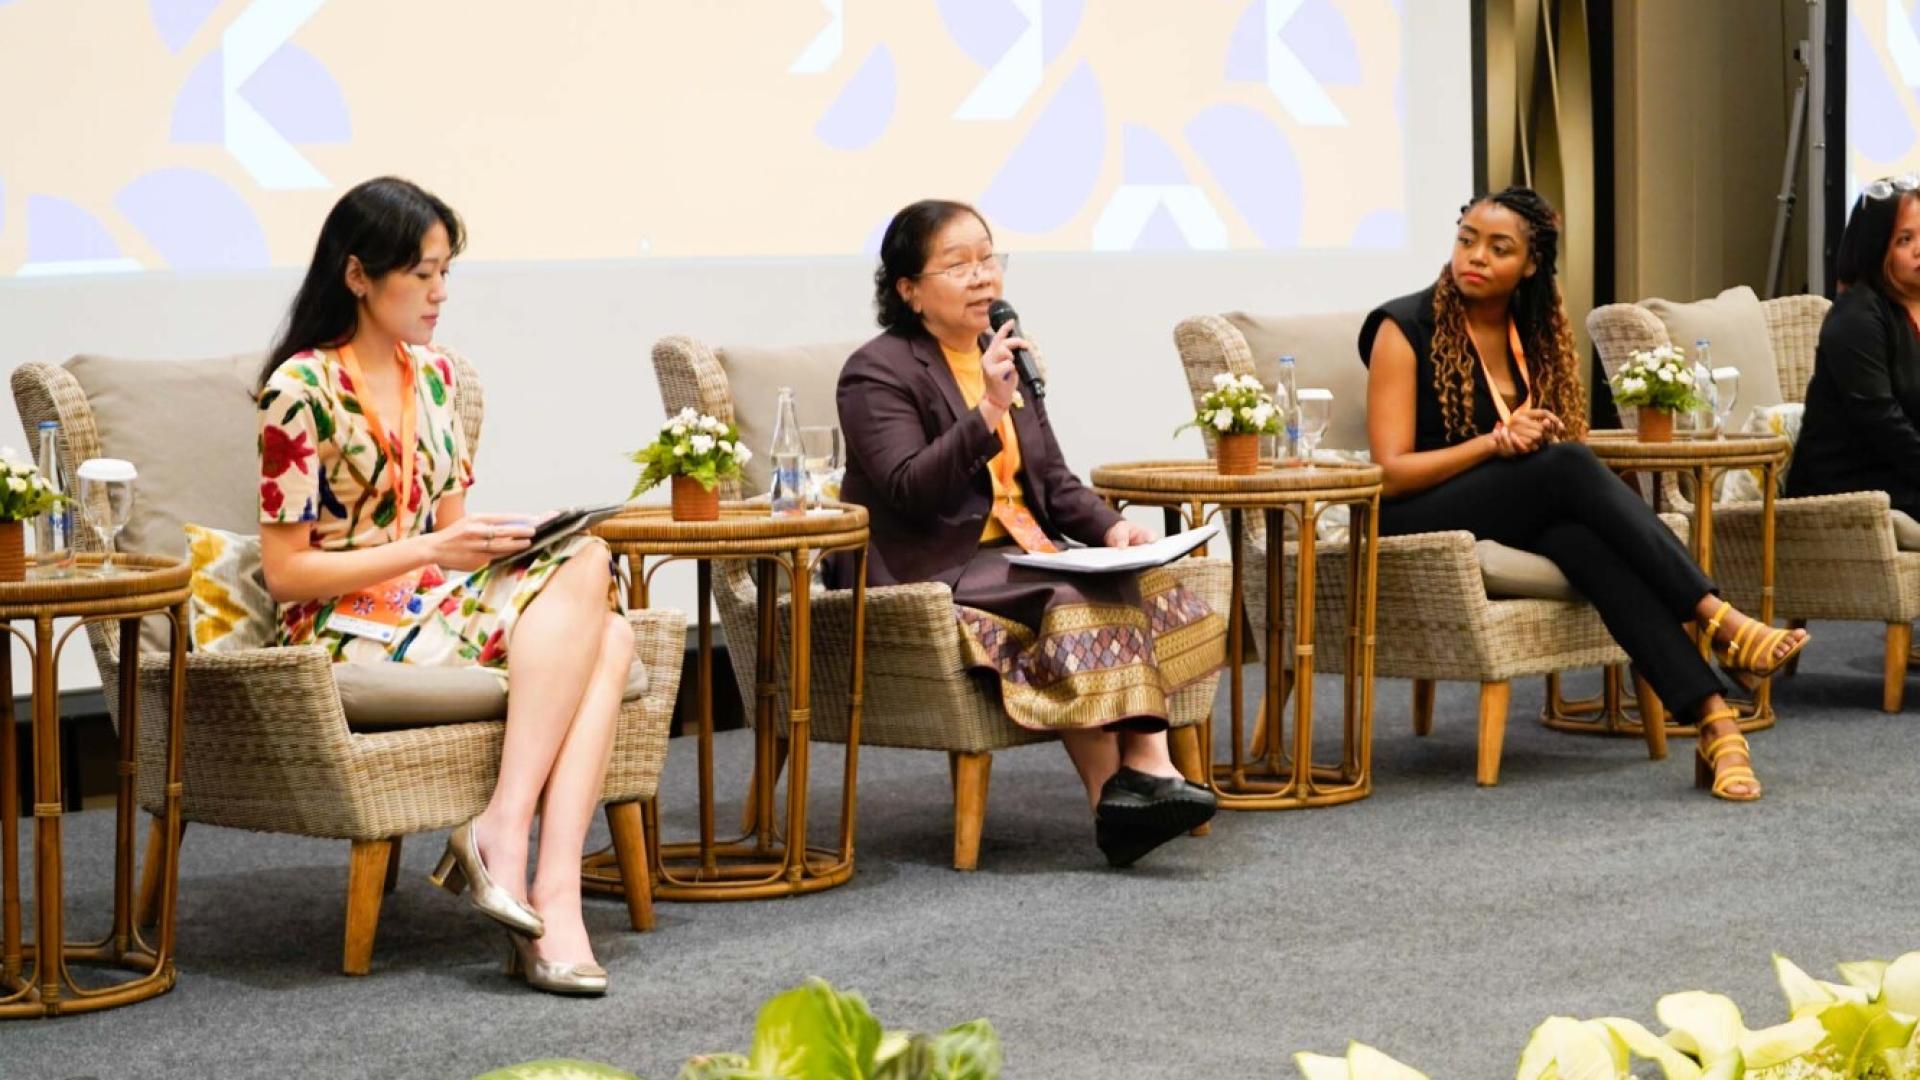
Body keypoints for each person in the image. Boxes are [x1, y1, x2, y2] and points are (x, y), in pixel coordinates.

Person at [256, 177, 630, 994]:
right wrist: (434, 546)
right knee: (612, 632)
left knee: (592, 564)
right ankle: (538, 880)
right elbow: (287, 575)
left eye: (445, 273)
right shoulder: (299, 391)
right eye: (422, 274)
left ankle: (532, 859)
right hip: (339, 623)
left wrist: (496, 542)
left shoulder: (437, 379)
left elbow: (451, 540)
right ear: (358, 276)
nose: (439, 293)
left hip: (429, 604)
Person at [1359, 186, 1808, 801]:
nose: (1476, 257)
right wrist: (1495, 443)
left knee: (1583, 542)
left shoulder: (1533, 331)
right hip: (1416, 515)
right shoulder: (1402, 326)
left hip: (1502, 510)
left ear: (1531, 264)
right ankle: (1718, 618)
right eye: (1467, 240)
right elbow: (1390, 471)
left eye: (1499, 248)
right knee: (1567, 463)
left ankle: (1716, 724)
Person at [836, 199, 1225, 866]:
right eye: (958, 265)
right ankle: (1144, 779)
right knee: (1071, 599)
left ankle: (1128, 793)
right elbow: (909, 489)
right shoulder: (877, 372)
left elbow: (1051, 479)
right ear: (909, 291)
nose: (983, 276)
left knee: (1148, 580)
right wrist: (988, 407)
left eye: (989, 258)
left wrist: (1112, 528)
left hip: (1017, 552)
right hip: (928, 560)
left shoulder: (1004, 353)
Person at [1785, 174, 1920, 519]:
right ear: (1877, 247)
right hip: (1851, 485)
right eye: (1905, 240)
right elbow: (1881, 421)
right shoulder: (1857, 316)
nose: (1919, 249)